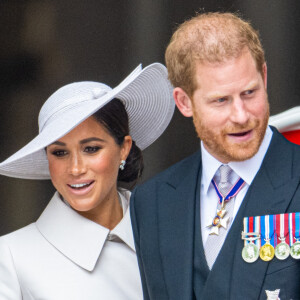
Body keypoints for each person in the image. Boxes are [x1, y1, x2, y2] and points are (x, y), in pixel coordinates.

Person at [130, 12, 300, 299]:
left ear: (265, 76)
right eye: (221, 100)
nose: (241, 115)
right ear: (184, 102)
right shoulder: (152, 203)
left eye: (249, 92)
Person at [0, 63, 174, 299]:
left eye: (91, 149)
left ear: (124, 148)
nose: (75, 168)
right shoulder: (10, 256)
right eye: (60, 153)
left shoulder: (172, 235)